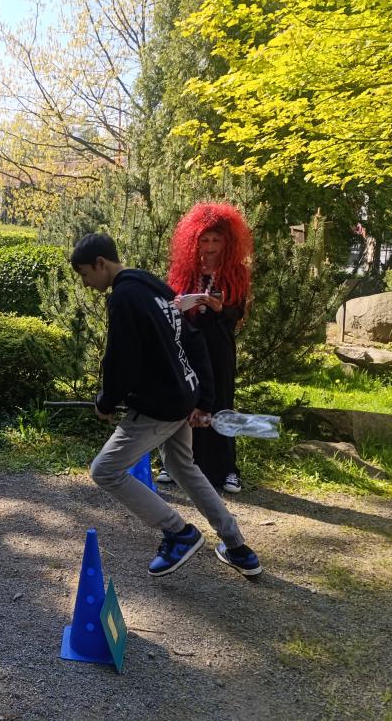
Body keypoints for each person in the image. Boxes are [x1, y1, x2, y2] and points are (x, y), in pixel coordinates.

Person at [70, 232, 262, 577]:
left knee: (105, 470)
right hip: (183, 396)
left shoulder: (124, 296)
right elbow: (193, 339)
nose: (85, 283)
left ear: (100, 263)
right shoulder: (154, 287)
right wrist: (202, 399)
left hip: (159, 405)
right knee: (181, 466)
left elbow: (120, 361)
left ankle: (178, 533)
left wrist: (106, 403)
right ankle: (237, 546)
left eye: (85, 274)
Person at [156, 201, 253, 494]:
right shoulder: (184, 271)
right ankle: (176, 465)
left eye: (216, 240)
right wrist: (177, 304)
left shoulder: (237, 273)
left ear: (227, 242)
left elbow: (237, 314)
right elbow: (172, 309)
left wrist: (221, 309)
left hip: (220, 348)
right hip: (188, 347)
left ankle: (228, 470)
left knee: (221, 403)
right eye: (205, 240)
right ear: (194, 241)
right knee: (186, 401)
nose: (210, 247)